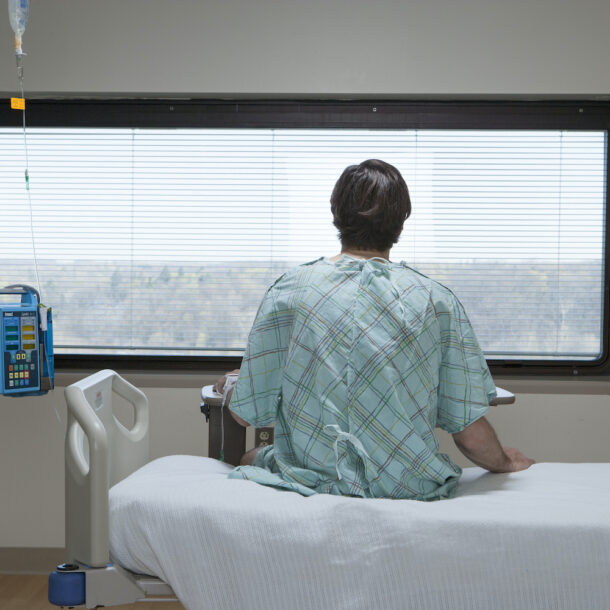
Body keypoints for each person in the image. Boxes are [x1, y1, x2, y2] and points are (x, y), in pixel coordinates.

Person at [214, 159, 534, 500]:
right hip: (406, 486)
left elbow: (243, 414)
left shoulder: (290, 290)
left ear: (337, 214)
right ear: (401, 222)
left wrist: (241, 382)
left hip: (316, 479)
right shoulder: (436, 300)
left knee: (248, 459)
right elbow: (468, 434)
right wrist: (503, 462)